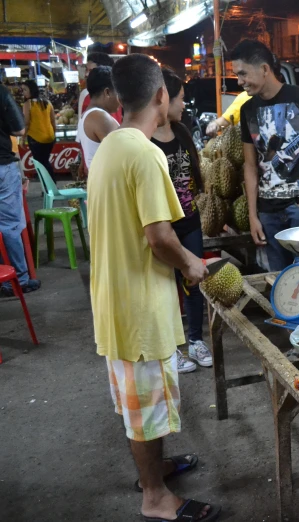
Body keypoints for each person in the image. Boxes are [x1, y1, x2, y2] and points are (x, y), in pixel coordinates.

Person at [87, 54, 221, 522]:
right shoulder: (146, 154)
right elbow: (161, 238)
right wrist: (193, 266)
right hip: (139, 308)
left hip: (113, 301)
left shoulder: (111, 147)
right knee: (145, 410)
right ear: (161, 96)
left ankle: (154, 471)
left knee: (139, 407)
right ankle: (155, 497)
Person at [230, 40, 299, 271]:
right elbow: (250, 166)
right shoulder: (248, 110)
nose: (240, 81)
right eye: (237, 75)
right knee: (279, 281)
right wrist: (253, 216)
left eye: (243, 73)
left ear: (265, 69)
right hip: (268, 214)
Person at [151, 67, 213, 374]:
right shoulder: (145, 140)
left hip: (189, 220)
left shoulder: (183, 131)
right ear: (164, 98)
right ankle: (170, 347)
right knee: (163, 286)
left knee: (193, 282)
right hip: (162, 225)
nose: (184, 105)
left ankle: (195, 340)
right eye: (180, 99)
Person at [0, 84, 40, 297]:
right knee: (9, 225)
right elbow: (19, 129)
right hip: (2, 165)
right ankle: (18, 280)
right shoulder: (1, 92)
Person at [76, 66, 120, 173]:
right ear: (107, 93)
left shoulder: (88, 114)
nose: (120, 98)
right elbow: (123, 155)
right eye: (118, 92)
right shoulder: (100, 117)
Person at [21, 80, 56, 177]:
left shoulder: (28, 104)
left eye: (25, 90)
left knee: (40, 164)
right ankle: (51, 186)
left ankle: (48, 187)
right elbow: (53, 121)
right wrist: (53, 134)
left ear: (31, 90)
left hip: (36, 139)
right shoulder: (47, 102)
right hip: (49, 138)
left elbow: (26, 123)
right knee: (45, 161)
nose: (23, 92)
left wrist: (23, 139)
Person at [78, 52, 123, 124]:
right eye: (86, 70)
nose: (86, 74)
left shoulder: (112, 93)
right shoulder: (89, 94)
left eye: (91, 71)